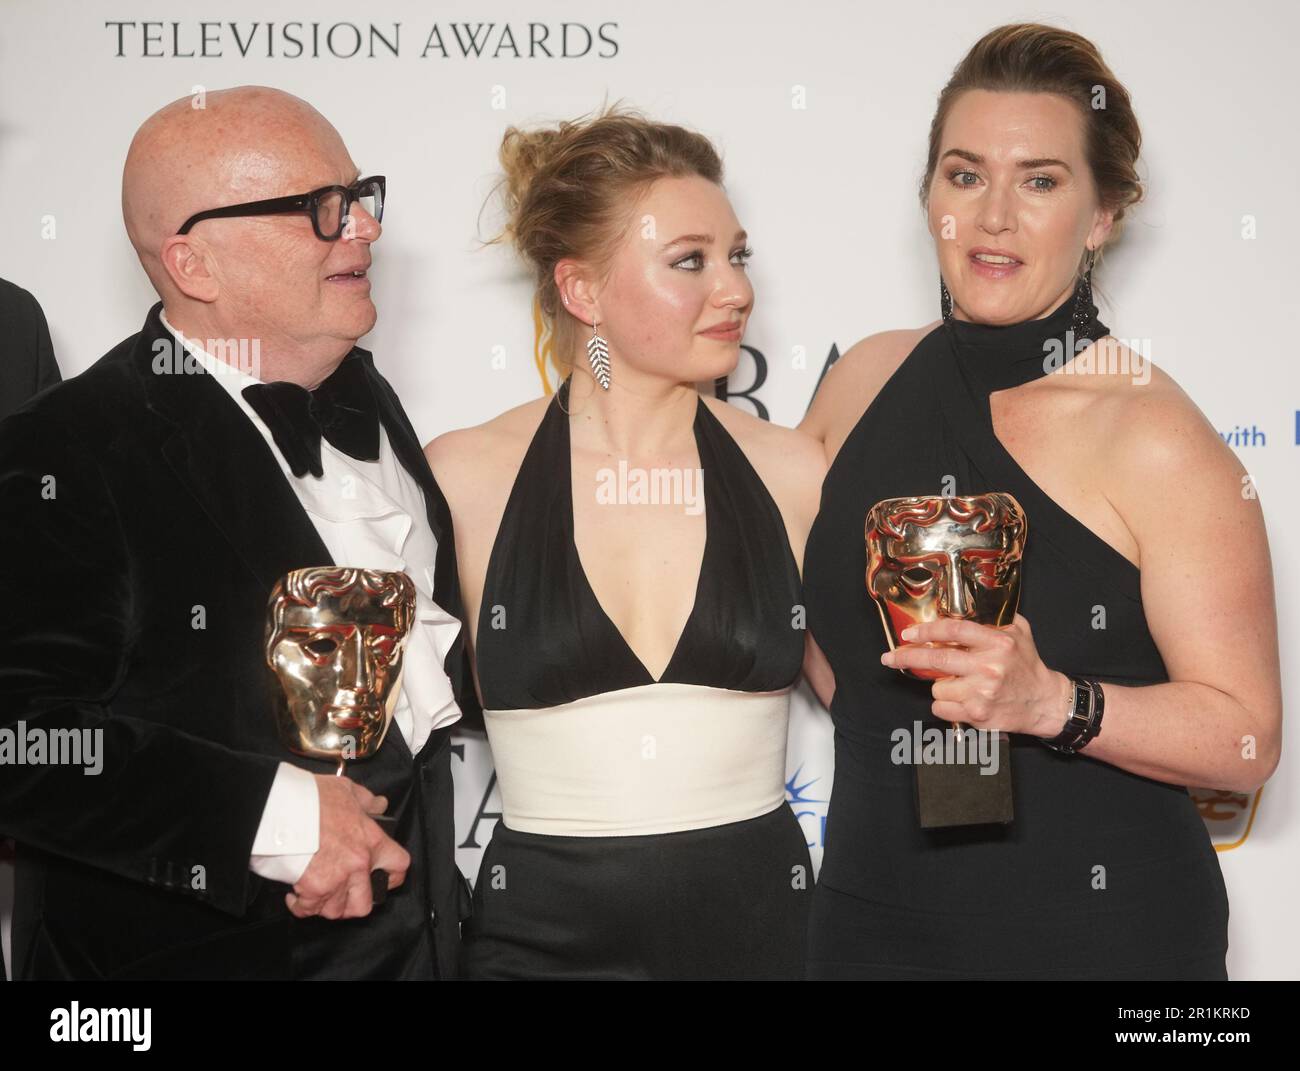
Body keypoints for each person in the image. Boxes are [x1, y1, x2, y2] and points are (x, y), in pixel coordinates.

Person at [798, 23, 1281, 980]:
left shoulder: (1152, 433)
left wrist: (1052, 701)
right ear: (928, 194)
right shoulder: (861, 381)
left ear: (1103, 216)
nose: (994, 218)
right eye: (966, 174)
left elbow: (1247, 738)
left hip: (1099, 937)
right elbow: (825, 642)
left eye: (1043, 181)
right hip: (869, 922)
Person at [0, 86, 478, 979]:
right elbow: (18, 739)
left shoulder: (367, 399)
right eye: (319, 209)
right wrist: (274, 816)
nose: (364, 229)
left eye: (358, 195)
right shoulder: (71, 445)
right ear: (194, 263)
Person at [425, 106, 826, 979]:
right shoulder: (463, 479)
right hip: (535, 943)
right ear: (584, 291)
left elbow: (883, 710)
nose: (736, 290)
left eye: (737, 256)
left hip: (765, 932)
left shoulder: (795, 471)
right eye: (691, 261)